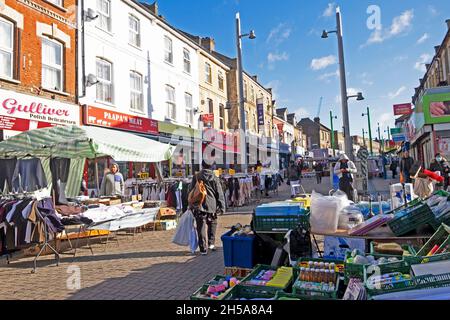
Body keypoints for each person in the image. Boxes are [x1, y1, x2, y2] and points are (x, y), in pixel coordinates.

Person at [189, 157, 226, 255]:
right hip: (212, 205)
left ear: (202, 166)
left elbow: (191, 191)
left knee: (200, 226)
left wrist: (190, 205)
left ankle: (203, 249)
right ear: (211, 166)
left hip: (199, 204)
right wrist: (222, 206)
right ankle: (211, 244)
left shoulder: (196, 176)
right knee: (212, 224)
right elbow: (219, 192)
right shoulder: (214, 177)